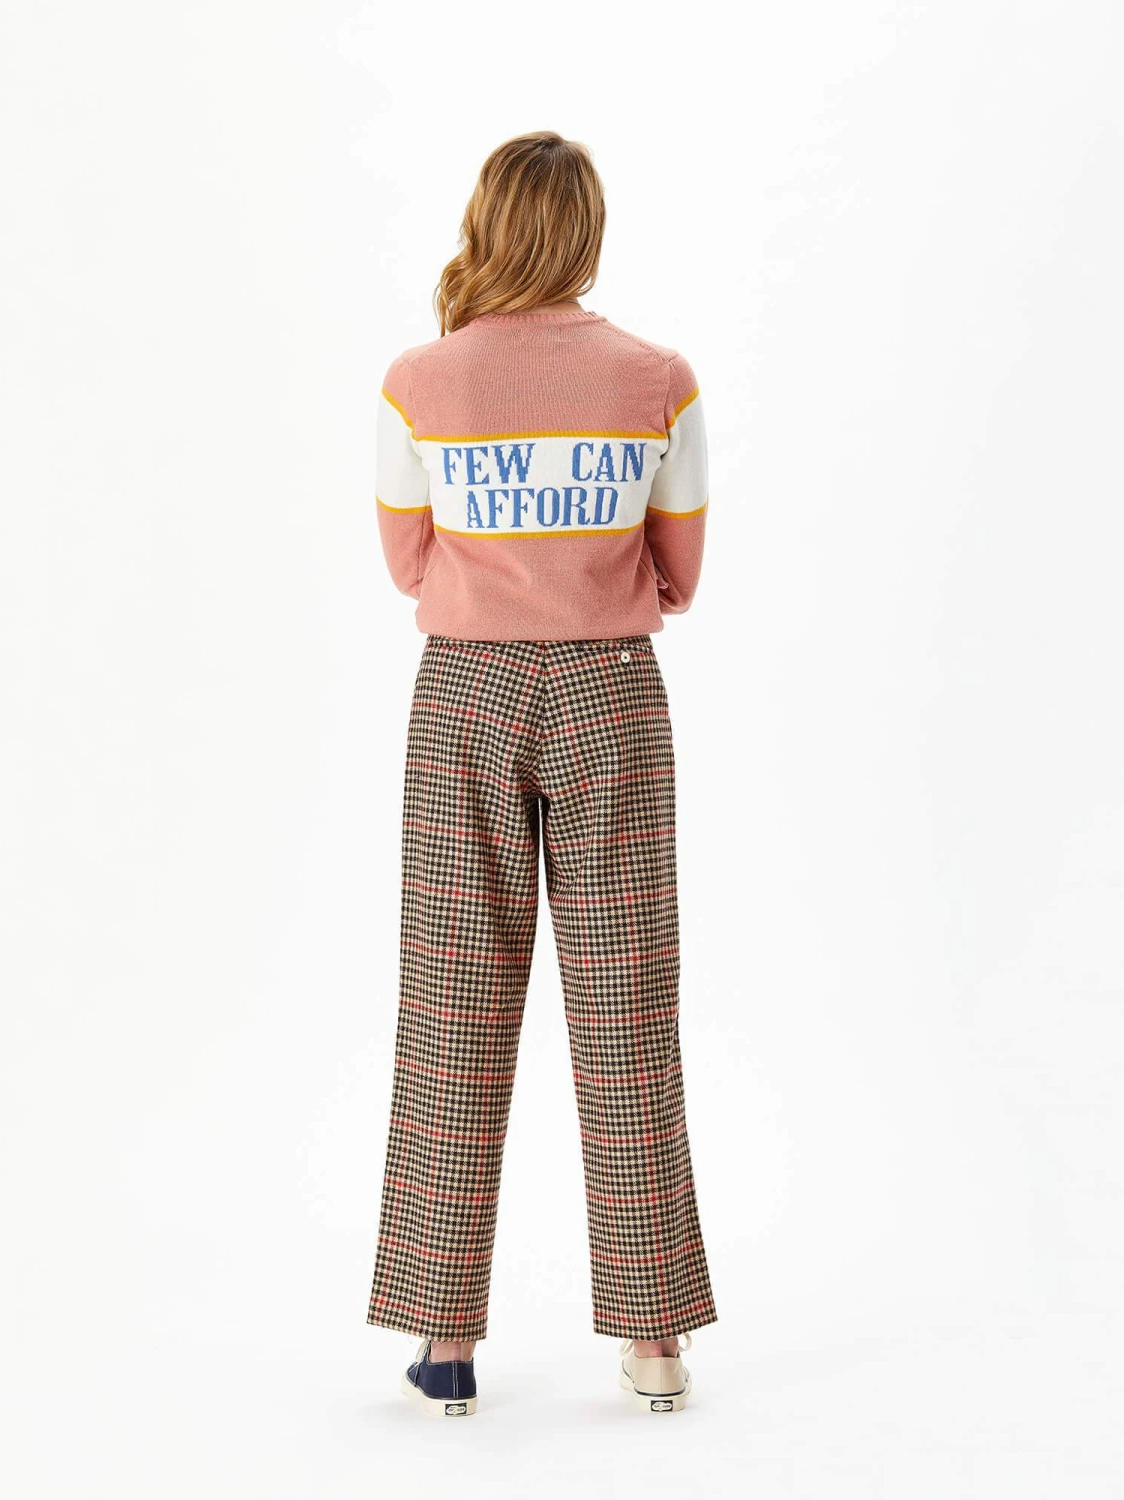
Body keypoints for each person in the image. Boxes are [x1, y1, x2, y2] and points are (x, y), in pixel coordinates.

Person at [367, 131, 717, 1418]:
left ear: (488, 222)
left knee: (454, 1001)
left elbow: (408, 565)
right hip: (611, 691)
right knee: (627, 1008)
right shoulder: (658, 379)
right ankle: (656, 1341)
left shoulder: (419, 380)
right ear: (587, 230)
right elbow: (680, 572)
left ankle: (446, 1337)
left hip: (463, 693)